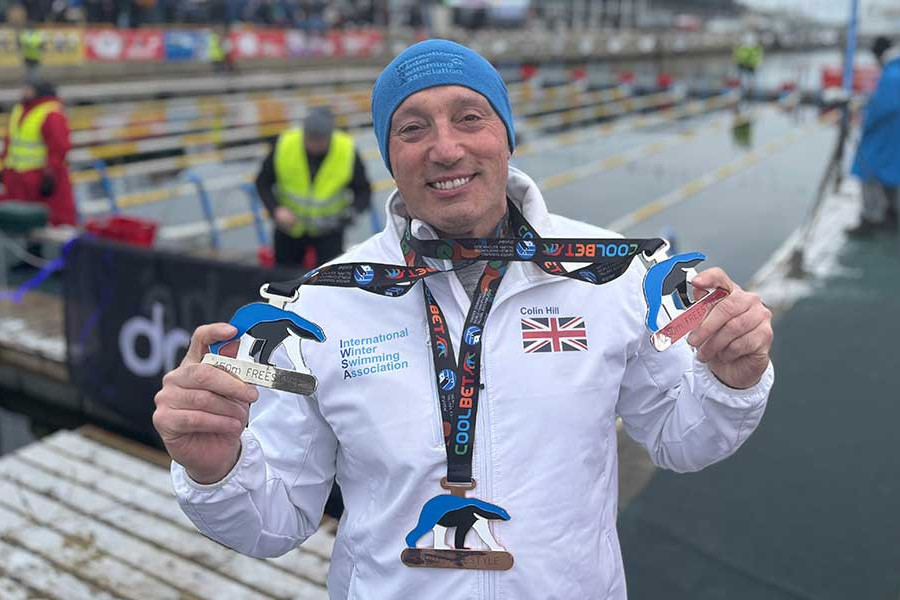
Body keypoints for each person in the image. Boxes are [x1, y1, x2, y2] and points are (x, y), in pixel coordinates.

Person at [155, 40, 774, 598]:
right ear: (390, 158)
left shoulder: (611, 274)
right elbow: (274, 522)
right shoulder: (324, 303)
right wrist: (216, 470)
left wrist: (732, 379)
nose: (445, 148)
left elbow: (682, 438)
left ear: (507, 136)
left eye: (470, 117)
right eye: (412, 128)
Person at [254, 106, 371, 268]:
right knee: (284, 278)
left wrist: (353, 212)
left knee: (330, 279)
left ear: (330, 136)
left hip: (330, 231)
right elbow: (263, 182)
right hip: (289, 231)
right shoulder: (285, 144)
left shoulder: (346, 149)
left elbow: (363, 190)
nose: (314, 144)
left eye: (320, 140)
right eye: (310, 139)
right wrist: (276, 209)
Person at [0, 79, 77, 226]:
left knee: (46, 219)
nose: (23, 92)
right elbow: (9, 142)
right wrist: (3, 167)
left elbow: (59, 148)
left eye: (28, 89)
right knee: (16, 220)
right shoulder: (19, 110)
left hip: (38, 177)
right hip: (16, 176)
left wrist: (50, 175)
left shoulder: (50, 113)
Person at [846, 36, 900, 237]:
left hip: (886, 134)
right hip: (894, 135)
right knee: (893, 172)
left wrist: (865, 119)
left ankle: (872, 217)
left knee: (868, 169)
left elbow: (884, 105)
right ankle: (891, 213)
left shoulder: (892, 74)